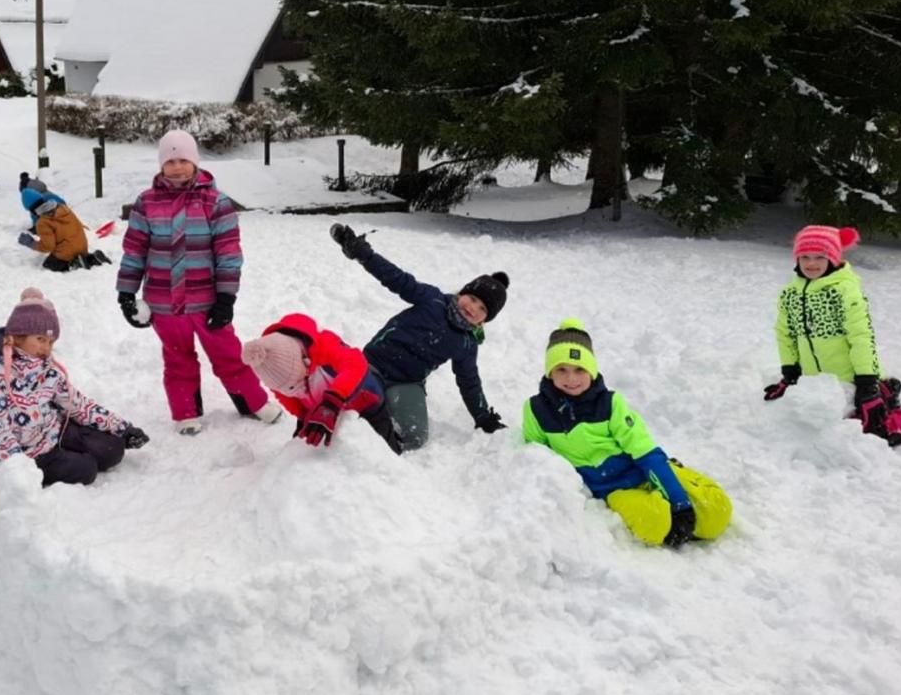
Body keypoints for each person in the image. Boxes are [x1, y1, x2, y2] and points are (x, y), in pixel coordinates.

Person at [116, 129, 281, 435]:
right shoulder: (146, 203)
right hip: (164, 304)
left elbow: (229, 253)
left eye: (183, 160)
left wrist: (226, 298)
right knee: (178, 359)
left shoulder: (215, 202)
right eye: (170, 161)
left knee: (229, 356)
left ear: (195, 162)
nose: (176, 167)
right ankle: (186, 413)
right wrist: (126, 293)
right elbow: (134, 251)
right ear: (161, 165)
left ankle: (253, 403)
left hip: (207, 301)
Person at [522, 318, 732, 547]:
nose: (571, 379)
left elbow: (644, 450)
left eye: (580, 369)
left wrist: (680, 503)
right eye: (561, 369)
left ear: (592, 371)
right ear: (549, 372)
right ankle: (665, 511)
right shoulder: (536, 410)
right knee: (655, 523)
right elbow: (539, 460)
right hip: (612, 489)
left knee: (717, 511)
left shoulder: (611, 404)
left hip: (642, 469)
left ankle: (673, 478)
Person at [762, 225, 901, 445]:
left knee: (874, 432)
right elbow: (785, 334)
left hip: (853, 378)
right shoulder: (790, 294)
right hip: (820, 382)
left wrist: (867, 384)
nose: (811, 263)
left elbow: (861, 337)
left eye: (819, 257)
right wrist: (790, 373)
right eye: (804, 256)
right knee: (817, 429)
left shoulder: (844, 291)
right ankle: (888, 394)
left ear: (833, 258)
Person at [329, 223, 508, 450]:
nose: (473, 308)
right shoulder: (432, 299)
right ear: (462, 293)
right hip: (372, 364)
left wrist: (482, 416)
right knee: (344, 403)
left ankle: (379, 432)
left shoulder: (466, 344)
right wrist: (364, 254)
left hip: (406, 383)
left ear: (483, 322)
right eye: (473, 299)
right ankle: (360, 398)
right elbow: (396, 278)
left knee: (415, 438)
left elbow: (469, 381)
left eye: (482, 309)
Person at [0, 288, 148, 487]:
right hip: (30, 455)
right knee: (87, 469)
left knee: (112, 449)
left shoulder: (46, 370)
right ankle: (64, 460)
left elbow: (78, 404)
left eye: (50, 342)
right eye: (40, 339)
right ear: (18, 336)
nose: (46, 348)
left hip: (55, 432)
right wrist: (19, 470)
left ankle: (72, 450)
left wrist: (122, 428)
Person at [242, 313, 404, 454]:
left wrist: (332, 402)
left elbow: (356, 364)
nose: (294, 390)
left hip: (366, 401)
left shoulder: (325, 346)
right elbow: (285, 395)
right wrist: (303, 415)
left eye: (297, 383)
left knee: (385, 447)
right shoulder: (273, 370)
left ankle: (397, 449)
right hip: (322, 410)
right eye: (290, 388)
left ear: (305, 361)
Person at [18, 196, 110, 271]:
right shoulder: (63, 208)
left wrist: (31, 243)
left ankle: (75, 263)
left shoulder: (43, 222)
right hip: (82, 246)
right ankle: (91, 258)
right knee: (72, 248)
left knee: (49, 265)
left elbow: (48, 247)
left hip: (66, 253)